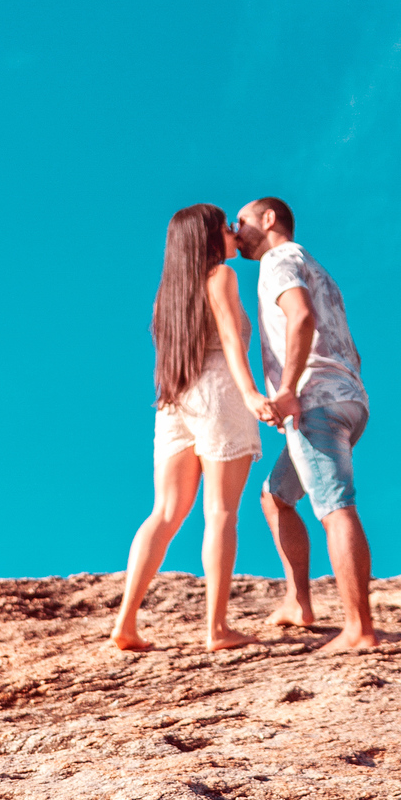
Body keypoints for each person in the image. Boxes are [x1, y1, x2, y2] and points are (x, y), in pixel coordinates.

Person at [111, 203, 280, 653]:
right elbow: (230, 340)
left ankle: (126, 623)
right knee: (220, 512)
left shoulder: (169, 294)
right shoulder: (221, 275)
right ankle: (216, 628)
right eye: (225, 227)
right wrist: (251, 394)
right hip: (219, 393)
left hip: (175, 400)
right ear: (207, 238)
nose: (233, 232)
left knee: (164, 512)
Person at [233, 197, 377, 653]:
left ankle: (359, 630)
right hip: (347, 398)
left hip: (316, 402)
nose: (235, 231)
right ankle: (300, 604)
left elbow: (301, 318)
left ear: (268, 219)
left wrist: (288, 389)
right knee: (275, 497)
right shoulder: (314, 266)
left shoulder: (278, 260)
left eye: (241, 221)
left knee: (335, 507)